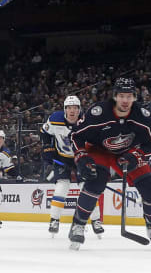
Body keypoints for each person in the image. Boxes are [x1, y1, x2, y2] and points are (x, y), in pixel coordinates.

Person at [68, 78, 151, 250]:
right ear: (114, 96)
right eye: (121, 96)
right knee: (95, 182)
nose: (125, 101)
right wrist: (82, 157)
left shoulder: (143, 116)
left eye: (129, 96)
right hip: (99, 150)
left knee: (150, 188)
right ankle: (78, 224)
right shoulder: (98, 113)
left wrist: (135, 157)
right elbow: (76, 136)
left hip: (127, 153)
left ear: (135, 97)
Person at [41, 95, 104, 237]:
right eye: (69, 108)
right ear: (64, 109)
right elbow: (44, 133)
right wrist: (47, 147)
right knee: (62, 186)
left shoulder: (86, 122)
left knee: (87, 189)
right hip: (62, 159)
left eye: (75, 108)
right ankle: (54, 220)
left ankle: (96, 220)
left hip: (81, 158)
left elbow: (95, 141)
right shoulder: (55, 119)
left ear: (79, 110)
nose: (72, 111)